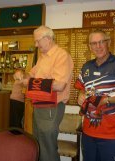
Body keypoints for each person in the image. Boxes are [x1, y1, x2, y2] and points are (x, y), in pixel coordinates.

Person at [74, 29, 115, 161]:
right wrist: (80, 96)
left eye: (101, 42)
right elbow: (81, 89)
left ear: (108, 42)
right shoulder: (86, 67)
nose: (98, 46)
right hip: (88, 132)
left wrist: (107, 100)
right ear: (89, 46)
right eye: (94, 43)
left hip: (113, 135)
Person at [15, 25, 74, 161]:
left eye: (37, 41)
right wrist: (21, 73)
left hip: (52, 107)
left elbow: (59, 85)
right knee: (39, 145)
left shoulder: (61, 55)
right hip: (39, 105)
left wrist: (30, 83)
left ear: (47, 39)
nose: (36, 45)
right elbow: (31, 74)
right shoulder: (43, 57)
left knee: (47, 146)